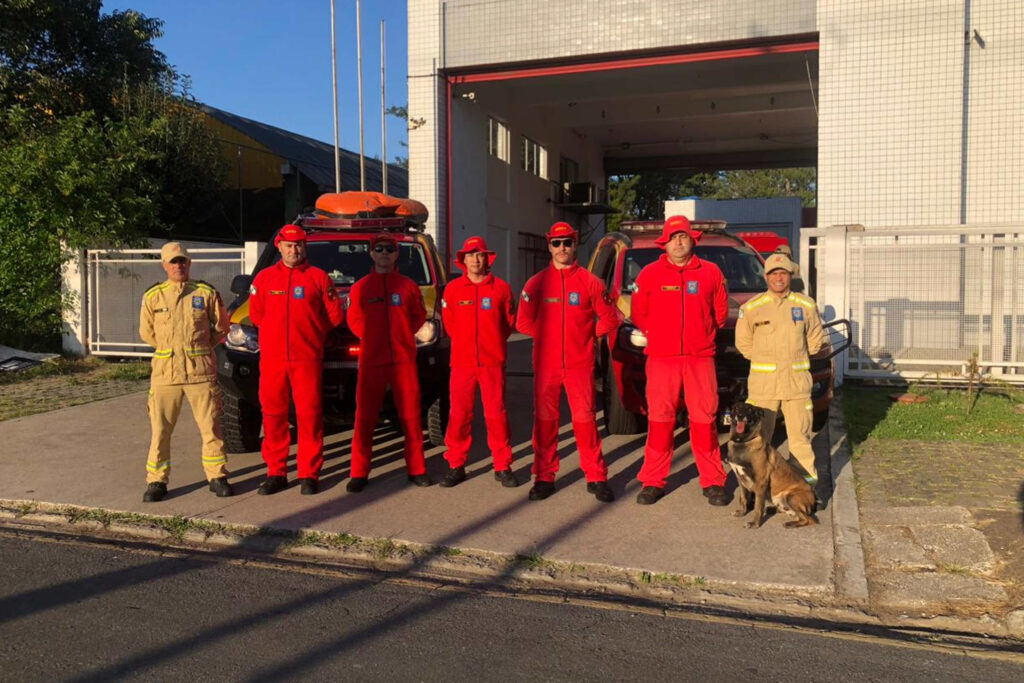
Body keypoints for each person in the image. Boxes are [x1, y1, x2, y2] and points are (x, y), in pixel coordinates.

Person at [630, 215, 730, 506]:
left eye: (683, 236)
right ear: (665, 242)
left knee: (704, 420)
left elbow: (720, 313)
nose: (678, 241)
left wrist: (703, 335)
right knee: (660, 421)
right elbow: (640, 313)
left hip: (700, 359)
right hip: (662, 359)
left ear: (692, 240)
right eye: (673, 237)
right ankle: (653, 481)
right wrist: (660, 338)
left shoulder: (710, 272)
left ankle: (712, 481)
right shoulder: (649, 274)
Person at [516, 222, 618, 502]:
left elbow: (610, 318)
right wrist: (549, 335)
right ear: (549, 246)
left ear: (575, 245)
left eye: (567, 243)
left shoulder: (590, 282)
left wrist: (587, 336)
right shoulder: (535, 283)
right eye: (557, 243)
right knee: (545, 423)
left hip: (579, 365)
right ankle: (544, 477)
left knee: (585, 422)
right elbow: (522, 321)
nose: (562, 248)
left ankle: (596, 477)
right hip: (546, 366)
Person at [248, 224, 345, 496]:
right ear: (279, 247)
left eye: (299, 245)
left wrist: (312, 334)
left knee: (309, 415)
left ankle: (309, 473)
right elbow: (256, 316)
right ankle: (276, 472)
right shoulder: (264, 279)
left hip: (307, 358)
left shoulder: (318, 278)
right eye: (289, 245)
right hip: (273, 359)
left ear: (305, 247)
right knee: (274, 414)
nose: (294, 250)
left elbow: (334, 316)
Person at [139, 242, 232, 502]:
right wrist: (171, 350)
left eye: (182, 261)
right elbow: (147, 333)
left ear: (189, 264)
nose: (178, 266)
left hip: (200, 372)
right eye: (173, 262)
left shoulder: (205, 292)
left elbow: (221, 327)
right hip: (165, 375)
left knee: (211, 427)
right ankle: (156, 481)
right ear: (164, 265)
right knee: (160, 430)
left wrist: (200, 348)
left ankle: (217, 476)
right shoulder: (153, 296)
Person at [345, 232, 434, 491]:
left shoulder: (408, 287)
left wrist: (401, 334)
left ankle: (417, 469)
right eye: (379, 249)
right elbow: (354, 320)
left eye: (389, 249)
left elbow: (418, 317)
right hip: (372, 361)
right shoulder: (361, 287)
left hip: (403, 360)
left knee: (411, 417)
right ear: (372, 254)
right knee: (365, 418)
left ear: (396, 255)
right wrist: (373, 336)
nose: (384, 253)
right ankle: (359, 473)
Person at [735, 252, 824, 482]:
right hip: (764, 387)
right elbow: (743, 343)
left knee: (800, 439)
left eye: (783, 273)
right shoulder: (752, 307)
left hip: (796, 385)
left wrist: (792, 359)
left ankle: (805, 490)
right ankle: (760, 488)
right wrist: (768, 361)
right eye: (773, 273)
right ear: (766, 277)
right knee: (759, 439)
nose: (778, 278)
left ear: (790, 275)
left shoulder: (806, 305)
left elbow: (815, 340)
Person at [439, 236, 518, 488]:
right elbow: (450, 325)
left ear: (487, 258)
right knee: (459, 415)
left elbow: (507, 324)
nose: (475, 259)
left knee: (496, 414)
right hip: (462, 363)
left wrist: (491, 343)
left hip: (492, 362)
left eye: (479, 254)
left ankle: (502, 465)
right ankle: (456, 464)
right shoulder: (452, 290)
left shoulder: (501, 289)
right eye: (470, 255)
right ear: (463, 260)